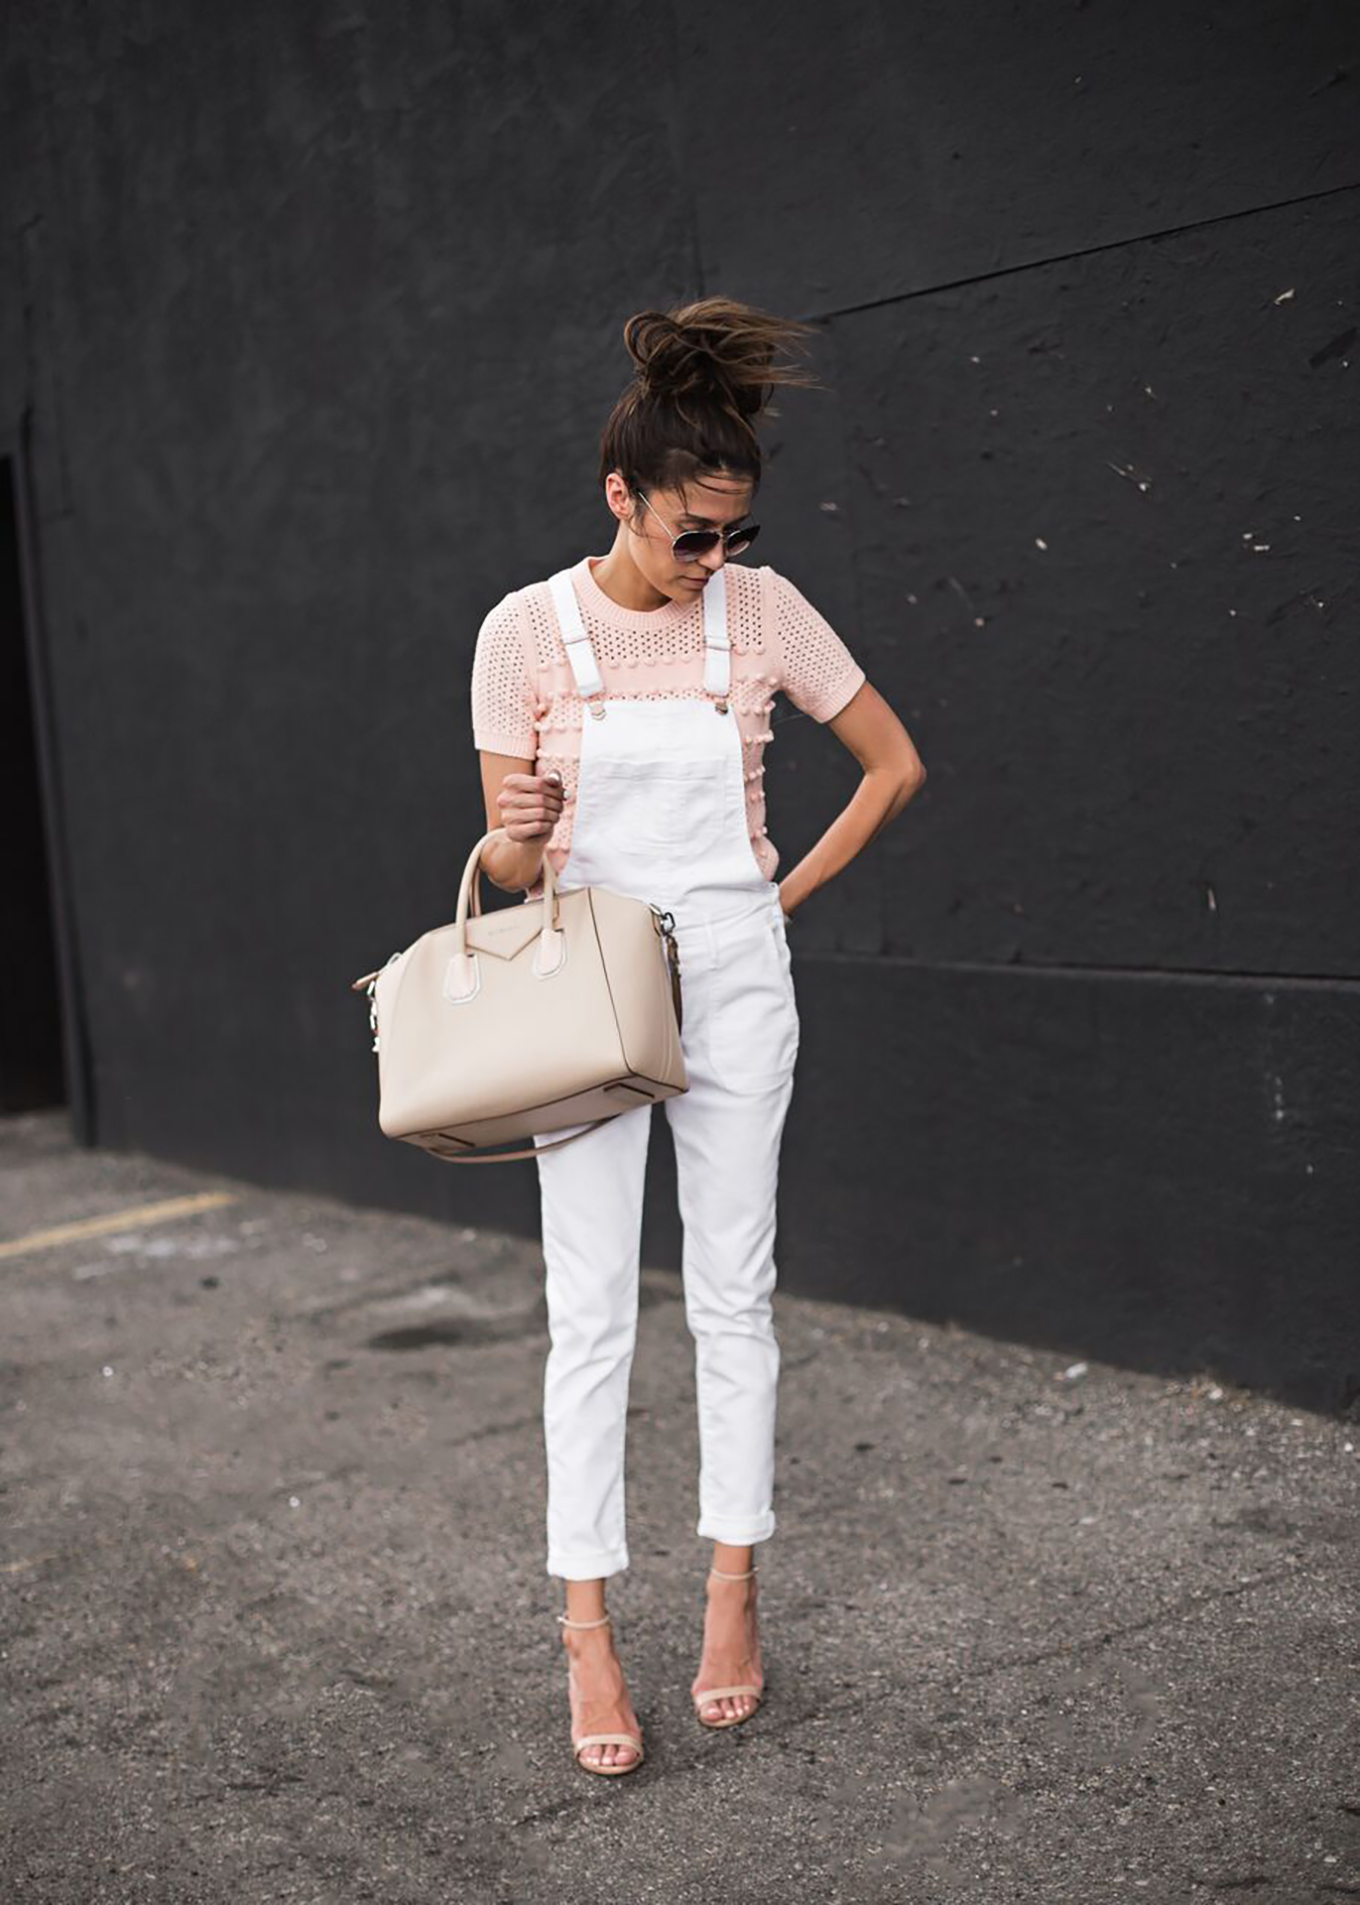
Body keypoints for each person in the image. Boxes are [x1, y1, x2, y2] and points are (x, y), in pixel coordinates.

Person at [470, 297, 926, 1777]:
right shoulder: (524, 632)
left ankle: (732, 1592)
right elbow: (513, 869)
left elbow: (892, 764)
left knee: (735, 1298)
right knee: (591, 1312)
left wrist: (773, 901)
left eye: (734, 531)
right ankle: (587, 1631)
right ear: (623, 495)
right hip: (585, 984)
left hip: (733, 973)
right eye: (691, 533)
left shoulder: (764, 611)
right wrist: (518, 832)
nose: (713, 557)